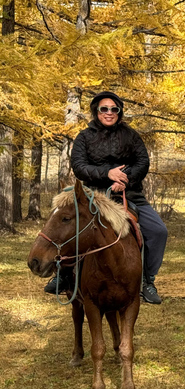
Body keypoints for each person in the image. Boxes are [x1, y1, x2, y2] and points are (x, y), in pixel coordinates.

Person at [44, 91, 168, 304]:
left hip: (129, 194)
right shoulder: (84, 137)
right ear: (96, 111)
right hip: (94, 195)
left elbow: (142, 162)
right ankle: (64, 274)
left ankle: (147, 280)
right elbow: (80, 166)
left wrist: (125, 179)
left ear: (119, 112)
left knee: (158, 231)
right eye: (104, 109)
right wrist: (108, 174)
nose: (109, 113)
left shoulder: (131, 136)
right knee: (68, 225)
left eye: (114, 109)